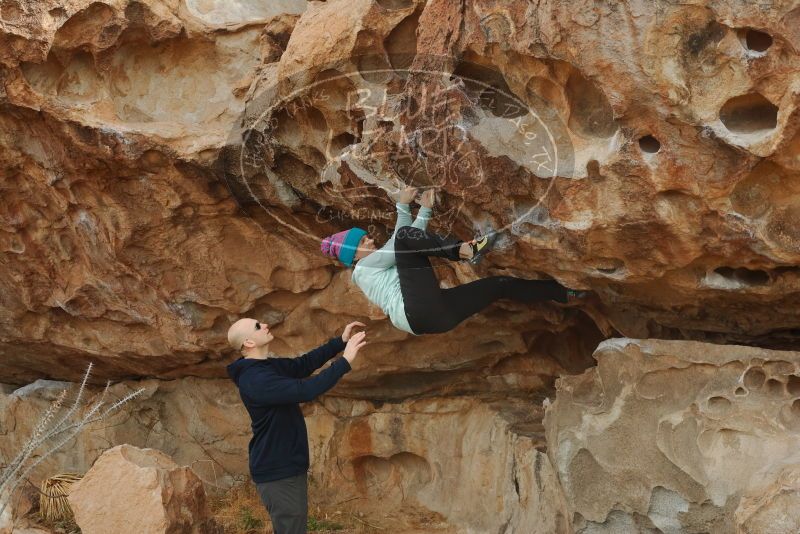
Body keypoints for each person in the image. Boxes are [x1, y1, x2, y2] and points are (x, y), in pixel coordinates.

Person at [320, 186, 587, 335]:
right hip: (416, 311)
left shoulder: (372, 265)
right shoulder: (365, 268)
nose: (370, 241)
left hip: (435, 320)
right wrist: (403, 206)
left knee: (499, 286)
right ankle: (467, 252)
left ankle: (565, 293)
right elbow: (399, 243)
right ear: (353, 255)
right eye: (362, 242)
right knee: (403, 239)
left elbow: (403, 244)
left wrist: (423, 209)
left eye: (367, 237)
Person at [226, 318, 367, 534]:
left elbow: (302, 365)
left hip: (286, 465)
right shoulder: (255, 379)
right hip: (277, 470)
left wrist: (340, 341)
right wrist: (345, 360)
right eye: (257, 326)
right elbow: (305, 390)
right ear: (249, 343)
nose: (264, 325)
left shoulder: (266, 366)